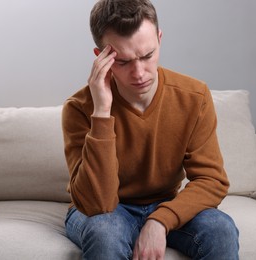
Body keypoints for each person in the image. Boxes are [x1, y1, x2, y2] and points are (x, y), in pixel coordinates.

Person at [62, 0, 239, 259]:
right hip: (104, 210)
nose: (139, 73)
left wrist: (160, 221)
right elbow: (96, 204)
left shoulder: (194, 97)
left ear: (159, 38)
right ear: (100, 57)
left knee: (220, 229)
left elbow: (212, 180)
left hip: (164, 203)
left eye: (147, 56)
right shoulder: (79, 108)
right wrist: (102, 111)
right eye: (122, 62)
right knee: (105, 232)